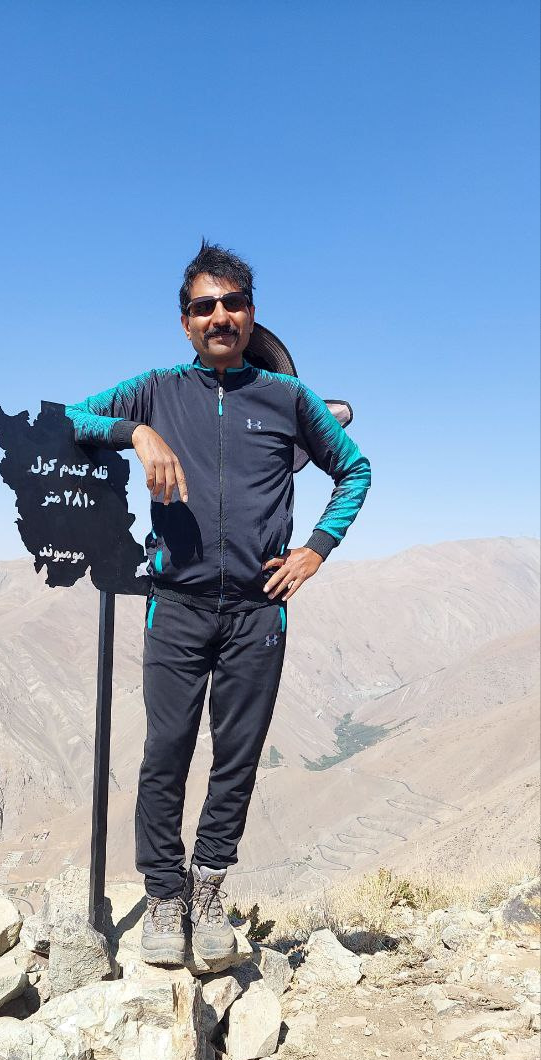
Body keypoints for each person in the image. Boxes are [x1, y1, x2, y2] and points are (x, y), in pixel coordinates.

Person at [65, 240, 371, 966]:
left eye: (232, 304)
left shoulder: (287, 398)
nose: (219, 316)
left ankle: (207, 889)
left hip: (259, 610)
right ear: (186, 322)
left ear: (251, 314)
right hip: (175, 603)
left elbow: (354, 469)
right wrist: (135, 432)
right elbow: (73, 418)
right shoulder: (157, 390)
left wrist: (315, 550)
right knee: (165, 752)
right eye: (204, 307)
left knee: (236, 756)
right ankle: (163, 896)